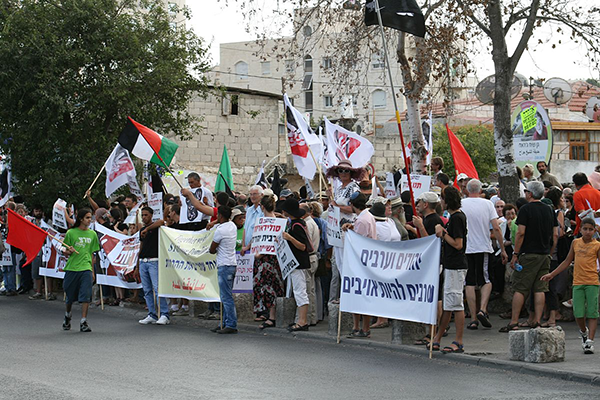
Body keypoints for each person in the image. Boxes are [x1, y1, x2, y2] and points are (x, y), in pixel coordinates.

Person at [500, 181, 558, 332]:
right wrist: (550, 252)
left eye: (526, 191)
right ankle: (537, 321)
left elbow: (520, 233)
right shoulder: (549, 210)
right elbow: (555, 234)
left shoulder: (525, 209)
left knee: (520, 288)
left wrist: (515, 254)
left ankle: (514, 321)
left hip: (528, 253)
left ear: (530, 194)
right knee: (540, 288)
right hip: (544, 254)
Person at [541, 217, 599, 354]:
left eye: (591, 229)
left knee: (592, 313)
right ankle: (584, 332)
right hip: (578, 282)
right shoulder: (575, 243)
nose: (588, 232)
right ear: (580, 229)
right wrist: (552, 274)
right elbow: (567, 261)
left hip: (593, 282)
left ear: (595, 231)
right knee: (578, 313)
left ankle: (590, 341)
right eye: (585, 229)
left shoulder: (597, 245)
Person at [461, 179, 507, 330]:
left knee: (469, 282)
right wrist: (502, 248)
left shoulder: (462, 204)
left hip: (467, 247)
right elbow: (496, 227)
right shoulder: (487, 204)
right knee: (485, 280)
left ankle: (473, 317)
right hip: (482, 246)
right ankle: (482, 309)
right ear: (480, 190)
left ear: (467, 190)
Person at [430, 186, 468, 353]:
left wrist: (442, 233)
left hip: (456, 266)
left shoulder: (458, 218)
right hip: (451, 265)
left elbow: (458, 244)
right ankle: (438, 337)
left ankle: (458, 340)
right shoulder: (455, 217)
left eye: (443, 198)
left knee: (456, 304)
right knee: (448, 304)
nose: (441, 202)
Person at [325, 158, 365, 304]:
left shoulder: (353, 187)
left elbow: (353, 208)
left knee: (347, 262)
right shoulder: (339, 189)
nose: (343, 173)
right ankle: (345, 294)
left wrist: (336, 205)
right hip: (337, 229)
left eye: (346, 170)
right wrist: (331, 201)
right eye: (340, 170)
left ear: (351, 172)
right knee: (340, 263)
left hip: (347, 228)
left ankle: (349, 295)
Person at [343, 192, 376, 338]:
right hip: (365, 261)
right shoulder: (365, 216)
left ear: (352, 204)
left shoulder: (363, 219)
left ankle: (362, 328)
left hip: (361, 263)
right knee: (359, 295)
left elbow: (359, 243)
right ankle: (359, 327)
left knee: (360, 296)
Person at [61, 208, 100, 333]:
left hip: (86, 268)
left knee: (85, 295)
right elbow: (64, 250)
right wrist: (68, 251)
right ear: (81, 219)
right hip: (72, 268)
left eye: (91, 218)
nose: (90, 220)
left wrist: (92, 271)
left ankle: (83, 321)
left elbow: (93, 254)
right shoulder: (71, 233)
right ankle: (68, 314)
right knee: (70, 296)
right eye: (87, 218)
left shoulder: (92, 234)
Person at [253, 195, 284, 329]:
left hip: (268, 259)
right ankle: (267, 313)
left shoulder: (274, 222)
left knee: (271, 287)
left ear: (262, 206)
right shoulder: (274, 220)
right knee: (267, 287)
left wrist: (260, 253)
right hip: (268, 259)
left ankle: (272, 316)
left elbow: (271, 241)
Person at [281, 198, 312, 332]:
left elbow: (302, 246)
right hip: (296, 262)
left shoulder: (296, 226)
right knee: (299, 291)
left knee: (300, 292)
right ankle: (301, 320)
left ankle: (302, 321)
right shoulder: (296, 223)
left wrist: (289, 238)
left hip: (298, 262)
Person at [136, 207, 170, 326]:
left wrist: (148, 229)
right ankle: (152, 314)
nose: (144, 217)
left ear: (151, 215)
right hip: (143, 262)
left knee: (157, 288)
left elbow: (162, 221)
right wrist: (136, 265)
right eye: (142, 215)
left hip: (154, 261)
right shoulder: (142, 230)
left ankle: (164, 314)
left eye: (146, 215)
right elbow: (141, 247)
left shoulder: (156, 227)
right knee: (147, 290)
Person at [209, 206, 239, 334]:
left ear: (220, 216)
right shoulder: (232, 226)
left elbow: (212, 249)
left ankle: (231, 324)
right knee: (226, 296)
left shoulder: (220, 231)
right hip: (232, 264)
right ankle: (224, 323)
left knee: (226, 297)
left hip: (224, 265)